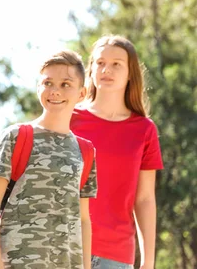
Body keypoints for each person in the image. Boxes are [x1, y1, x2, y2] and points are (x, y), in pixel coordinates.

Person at [0, 50, 97, 269]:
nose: (55, 91)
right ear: (38, 87)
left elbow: (83, 219)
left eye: (65, 84)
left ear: (82, 93)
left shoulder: (85, 150)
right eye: (48, 83)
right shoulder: (16, 136)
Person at [70, 36, 163, 269]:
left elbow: (144, 199)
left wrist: (148, 261)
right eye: (100, 63)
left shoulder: (144, 130)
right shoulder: (68, 118)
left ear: (130, 73)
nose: (106, 69)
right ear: (91, 70)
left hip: (115, 255)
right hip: (65, 246)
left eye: (116, 64)